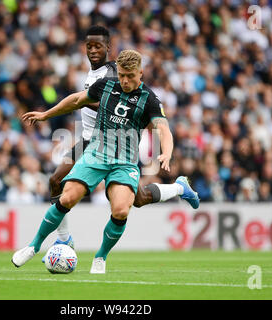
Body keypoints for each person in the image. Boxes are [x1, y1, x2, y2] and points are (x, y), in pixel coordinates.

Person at [12, 49, 200, 273]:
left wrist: (166, 152)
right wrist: (46, 115)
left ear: (141, 73)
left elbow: (163, 129)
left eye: (130, 76)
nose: (125, 80)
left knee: (121, 210)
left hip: (124, 162)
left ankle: (100, 257)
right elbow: (77, 100)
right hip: (96, 154)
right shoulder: (106, 85)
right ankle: (33, 246)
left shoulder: (149, 98)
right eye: (121, 75)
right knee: (68, 196)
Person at [46, 26, 200, 254]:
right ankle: (64, 239)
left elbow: (113, 106)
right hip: (89, 139)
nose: (93, 50)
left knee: (135, 199)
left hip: (113, 143)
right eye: (89, 46)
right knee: (57, 180)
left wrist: (81, 102)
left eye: (98, 46)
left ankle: (179, 188)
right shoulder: (93, 73)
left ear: (108, 48)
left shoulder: (113, 75)